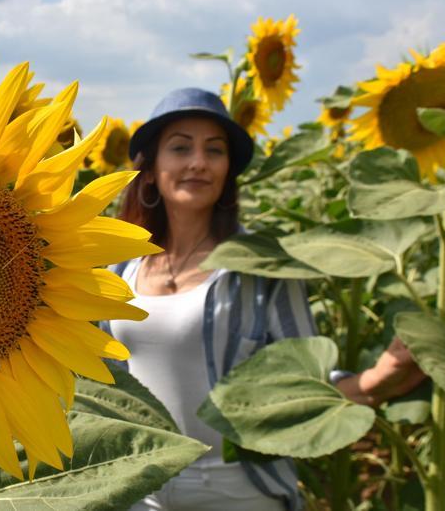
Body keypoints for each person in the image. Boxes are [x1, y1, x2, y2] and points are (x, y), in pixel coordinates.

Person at [103, 88, 426, 511]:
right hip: (138, 488)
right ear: (150, 171)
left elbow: (304, 380)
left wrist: (375, 380)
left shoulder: (262, 268)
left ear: (227, 173)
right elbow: (98, 387)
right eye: (180, 147)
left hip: (234, 488)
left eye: (214, 151)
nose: (198, 162)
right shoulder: (118, 269)